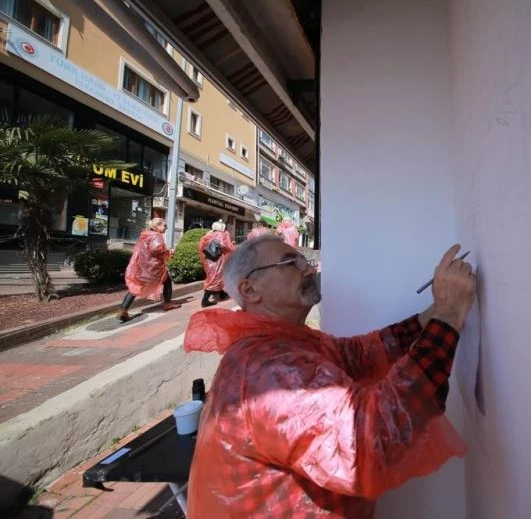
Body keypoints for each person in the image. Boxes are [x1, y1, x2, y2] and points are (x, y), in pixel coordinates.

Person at [183, 236, 476, 518]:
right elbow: (369, 442)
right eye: (291, 262)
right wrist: (448, 316)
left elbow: (359, 354)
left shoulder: (288, 340)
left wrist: (433, 315)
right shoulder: (268, 368)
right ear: (250, 290)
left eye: (305, 261)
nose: (309, 270)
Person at [116, 218, 180, 322]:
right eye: (164, 225)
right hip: (153, 267)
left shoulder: (146, 234)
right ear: (157, 226)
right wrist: (170, 251)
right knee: (167, 282)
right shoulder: (156, 236)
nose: (166, 228)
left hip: (142, 266)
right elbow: (156, 249)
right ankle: (167, 304)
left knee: (136, 286)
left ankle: (123, 310)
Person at [197, 220, 235, 307]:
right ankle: (205, 301)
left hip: (209, 260)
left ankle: (221, 294)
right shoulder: (222, 234)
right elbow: (225, 246)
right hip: (218, 260)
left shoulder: (208, 235)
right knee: (215, 278)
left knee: (216, 277)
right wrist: (232, 248)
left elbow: (201, 247)